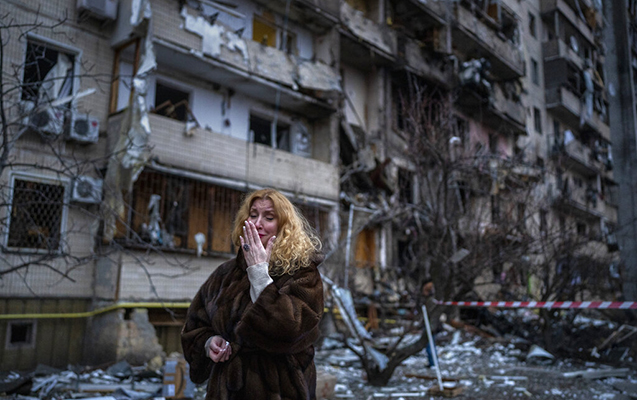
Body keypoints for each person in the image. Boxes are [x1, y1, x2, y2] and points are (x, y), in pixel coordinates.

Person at [181, 188, 324, 399]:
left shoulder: (303, 272)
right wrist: (209, 342)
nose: (257, 223)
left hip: (280, 389)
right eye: (253, 215)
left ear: (284, 226)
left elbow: (291, 329)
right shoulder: (226, 273)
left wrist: (259, 275)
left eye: (269, 217)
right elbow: (195, 325)